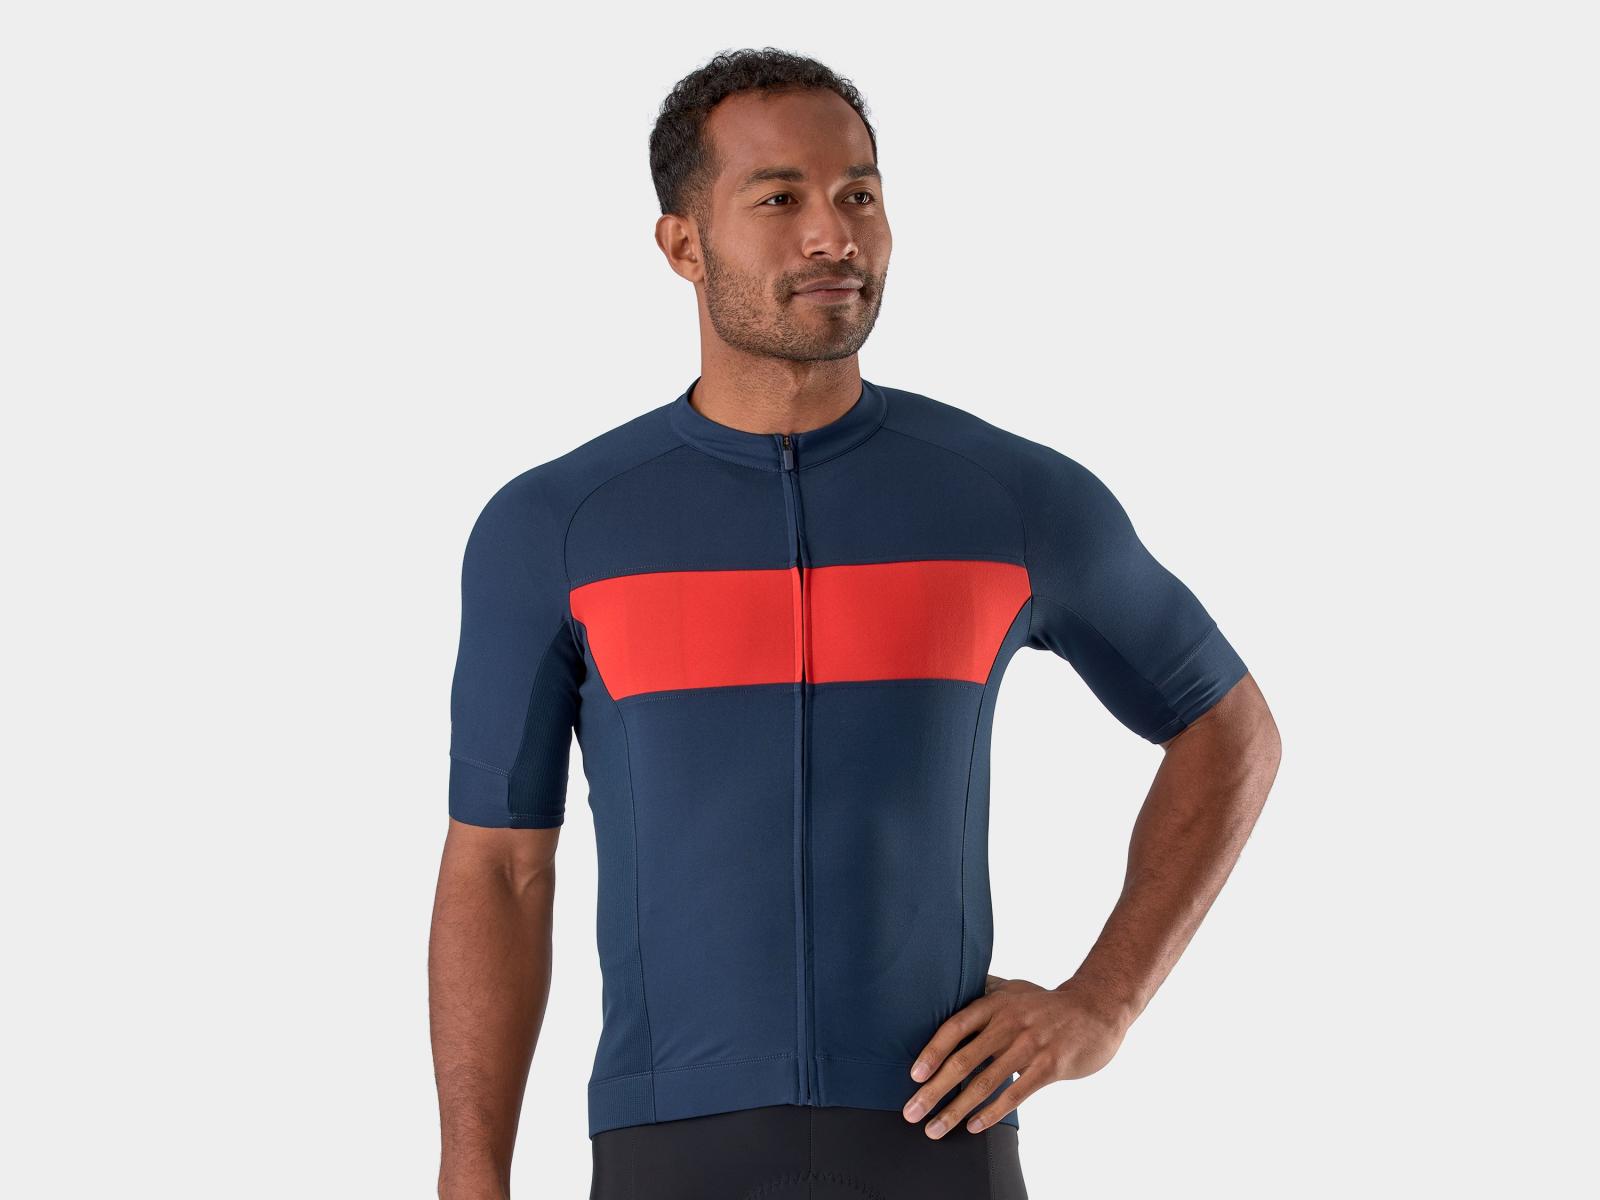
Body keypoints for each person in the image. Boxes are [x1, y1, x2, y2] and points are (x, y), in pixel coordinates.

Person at [428, 47, 1282, 1200]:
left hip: (936, 1136)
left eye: (858, 195)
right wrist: (470, 1174)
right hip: (670, 1146)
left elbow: (1229, 729)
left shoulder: (1010, 500)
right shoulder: (557, 527)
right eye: (779, 198)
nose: (833, 236)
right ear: (683, 244)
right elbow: (498, 867)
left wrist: (1103, 1001)